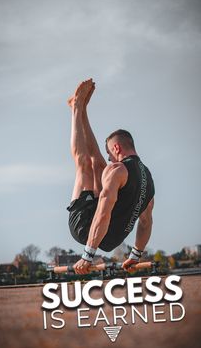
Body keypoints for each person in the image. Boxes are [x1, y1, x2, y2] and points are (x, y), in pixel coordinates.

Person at [67, 78, 155, 274]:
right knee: (98, 164)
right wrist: (135, 255)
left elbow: (103, 213)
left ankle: (75, 111)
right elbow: (146, 222)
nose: (109, 158)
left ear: (116, 148)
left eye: (110, 153)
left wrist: (88, 255)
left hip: (85, 227)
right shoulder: (148, 178)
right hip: (109, 237)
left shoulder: (117, 171)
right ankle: (82, 109)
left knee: (84, 167)